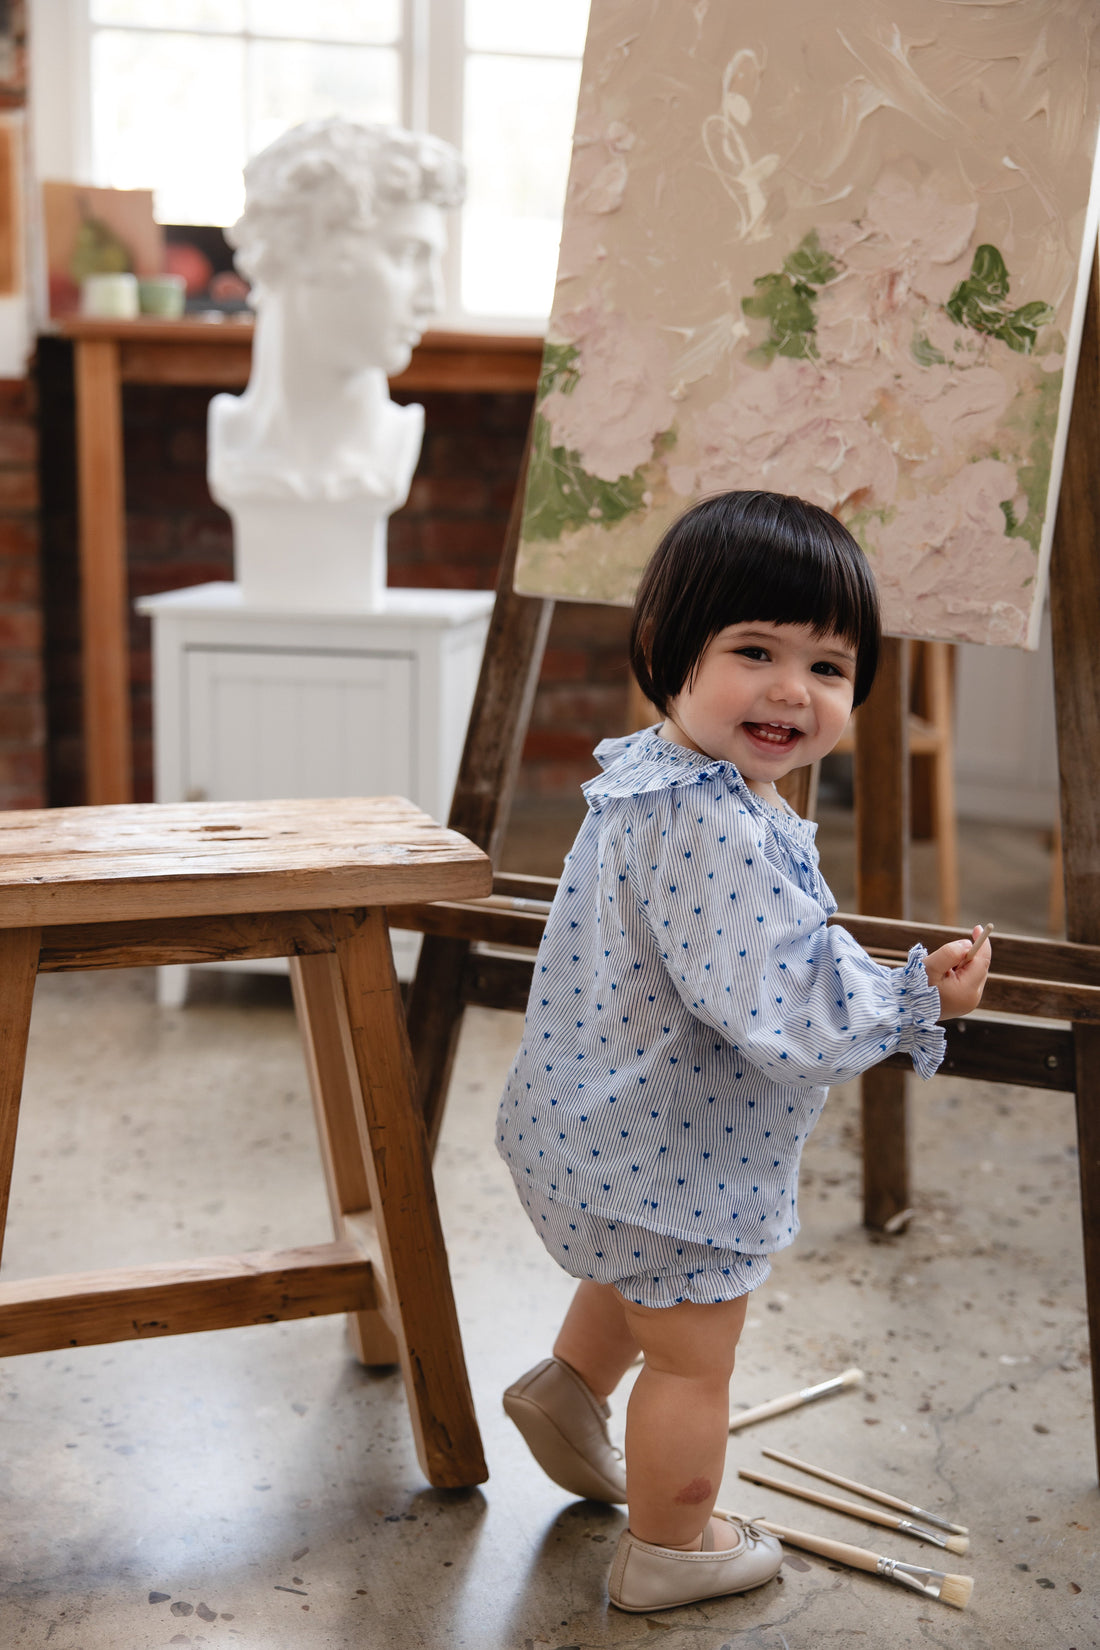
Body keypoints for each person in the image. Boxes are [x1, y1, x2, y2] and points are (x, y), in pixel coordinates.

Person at [495, 490, 991, 1614]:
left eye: (825, 666)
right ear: (672, 655)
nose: (788, 690)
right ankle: (673, 1548)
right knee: (690, 1349)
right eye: (752, 651)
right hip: (670, 1147)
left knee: (643, 1272)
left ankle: (569, 1391)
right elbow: (779, 1001)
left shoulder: (660, 779)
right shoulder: (715, 824)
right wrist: (914, 995)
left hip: (594, 1120)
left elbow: (760, 955)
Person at [208, 120, 464, 606]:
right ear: (304, 246)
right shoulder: (233, 441)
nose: (433, 297)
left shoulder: (392, 444)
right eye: (408, 255)